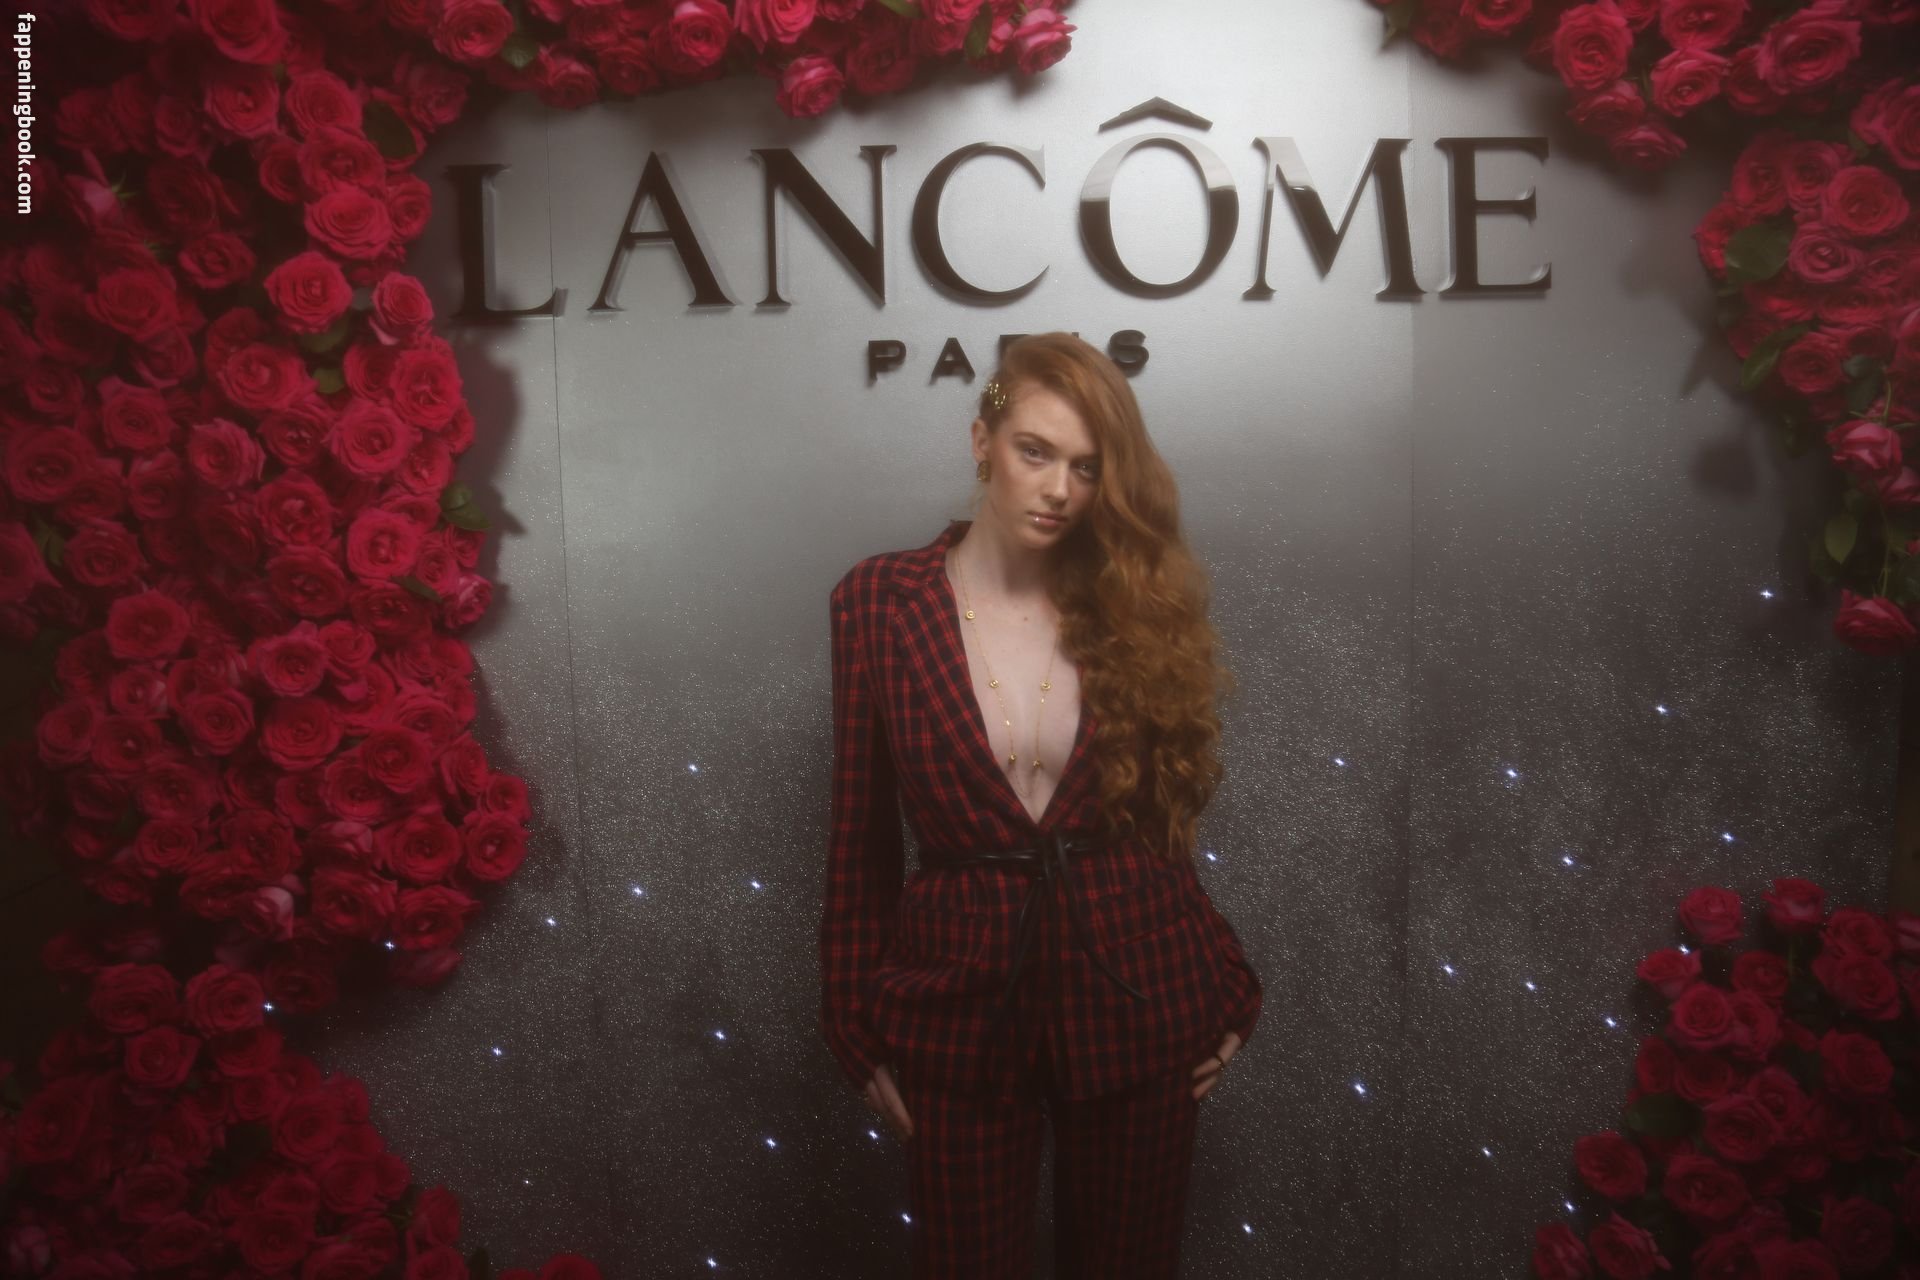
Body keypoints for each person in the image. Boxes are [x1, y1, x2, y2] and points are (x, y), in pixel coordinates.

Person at [818, 332, 1263, 1279]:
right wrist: (852, 1019)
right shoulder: (877, 602)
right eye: (1036, 452)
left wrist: (1227, 981)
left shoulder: (1133, 605)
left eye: (1087, 468)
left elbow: (1162, 832)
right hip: (958, 1003)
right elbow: (860, 837)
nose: (1060, 488)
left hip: (1139, 991)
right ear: (982, 441)